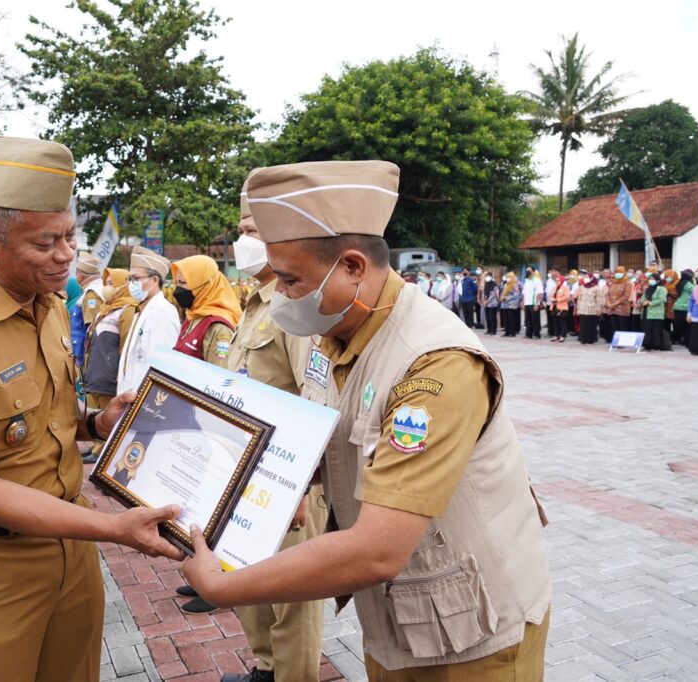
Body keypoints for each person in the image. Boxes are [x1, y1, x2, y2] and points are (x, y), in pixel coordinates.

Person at [184, 160, 550, 681]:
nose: (280, 295)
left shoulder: (433, 365)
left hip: (475, 634)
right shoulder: (336, 331)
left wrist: (223, 585)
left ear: (353, 266)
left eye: (291, 280)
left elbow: (377, 550)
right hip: (402, 619)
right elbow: (331, 439)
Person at [0, 135, 183, 682]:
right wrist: (115, 529)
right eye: (46, 242)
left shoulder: (46, 304)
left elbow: (48, 418)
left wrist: (97, 422)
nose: (66, 254)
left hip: (72, 547)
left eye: (69, 236)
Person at [220, 178, 326, 682]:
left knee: (293, 598)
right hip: (245, 470)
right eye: (240, 230)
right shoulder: (253, 303)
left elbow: (315, 396)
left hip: (287, 477)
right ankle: (267, 668)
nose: (241, 241)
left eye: (252, 232)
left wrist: (300, 483)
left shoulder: (294, 307)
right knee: (250, 579)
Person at [81, 267, 138, 461]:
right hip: (96, 369)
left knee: (108, 409)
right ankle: (96, 447)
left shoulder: (127, 310)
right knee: (94, 407)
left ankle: (102, 451)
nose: (107, 287)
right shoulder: (106, 308)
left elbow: (126, 346)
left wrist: (120, 373)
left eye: (112, 284)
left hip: (109, 371)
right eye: (106, 283)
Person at [117, 246, 181, 395]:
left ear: (154, 280)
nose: (131, 284)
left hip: (146, 396)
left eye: (136, 279)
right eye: (129, 279)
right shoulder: (140, 310)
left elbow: (163, 365)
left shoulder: (164, 311)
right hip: (129, 393)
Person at [170, 255, 241, 368]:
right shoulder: (194, 315)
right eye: (177, 283)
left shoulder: (219, 328)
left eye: (182, 282)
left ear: (205, 285)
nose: (177, 289)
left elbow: (219, 374)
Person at [74, 253, 104, 363]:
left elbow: (91, 330)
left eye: (76, 272)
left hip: (84, 355)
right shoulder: (97, 288)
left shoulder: (92, 294)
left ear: (81, 275)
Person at [640, 272, 671, 351]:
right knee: (647, 328)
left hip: (657, 313)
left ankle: (656, 346)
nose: (650, 280)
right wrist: (643, 302)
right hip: (646, 311)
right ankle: (647, 345)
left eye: (652, 279)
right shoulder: (648, 289)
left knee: (656, 330)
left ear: (657, 280)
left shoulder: (662, 289)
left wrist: (650, 303)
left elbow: (661, 299)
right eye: (650, 279)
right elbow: (643, 297)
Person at [576, 272, 601, 344]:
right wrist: (578, 308)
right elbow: (579, 298)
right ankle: (583, 339)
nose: (585, 278)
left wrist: (599, 309)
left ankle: (590, 340)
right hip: (583, 309)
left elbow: (598, 299)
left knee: (591, 325)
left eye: (587, 277)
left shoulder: (596, 287)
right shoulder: (582, 287)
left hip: (592, 309)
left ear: (591, 278)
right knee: (583, 325)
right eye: (585, 277)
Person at [672, 269, 695, 345]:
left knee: (678, 324)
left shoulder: (681, 282)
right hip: (685, 306)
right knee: (687, 325)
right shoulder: (688, 283)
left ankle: (676, 339)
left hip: (678, 306)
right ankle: (685, 340)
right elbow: (696, 290)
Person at [607, 266, 631, 335]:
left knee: (622, 327)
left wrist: (614, 304)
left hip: (622, 308)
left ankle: (622, 340)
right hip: (612, 309)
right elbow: (608, 294)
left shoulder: (627, 283)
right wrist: (608, 303)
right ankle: (614, 340)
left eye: (620, 272)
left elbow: (626, 296)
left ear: (624, 273)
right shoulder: (613, 282)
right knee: (614, 327)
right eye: (616, 272)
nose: (618, 273)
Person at [549, 271, 570, 343]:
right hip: (554, 307)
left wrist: (558, 300)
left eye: (558, 280)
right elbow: (550, 295)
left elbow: (567, 297)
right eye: (556, 280)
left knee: (562, 322)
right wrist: (552, 299)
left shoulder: (565, 288)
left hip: (562, 307)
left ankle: (562, 336)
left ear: (562, 281)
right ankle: (556, 335)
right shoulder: (554, 288)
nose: (557, 282)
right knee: (555, 322)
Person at [521, 270, 543, 339]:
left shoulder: (537, 281)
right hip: (527, 303)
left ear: (531, 274)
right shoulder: (527, 281)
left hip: (534, 303)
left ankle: (536, 334)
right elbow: (524, 293)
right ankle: (528, 334)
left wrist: (537, 304)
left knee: (535, 319)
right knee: (527, 320)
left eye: (528, 275)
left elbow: (539, 293)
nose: (528, 277)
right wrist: (523, 303)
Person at [499, 271, 522, 336]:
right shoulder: (505, 285)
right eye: (507, 277)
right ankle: (507, 332)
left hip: (511, 305)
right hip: (504, 305)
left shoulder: (515, 285)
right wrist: (501, 297)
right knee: (506, 319)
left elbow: (516, 295)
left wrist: (506, 298)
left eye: (509, 277)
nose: (508, 278)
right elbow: (502, 292)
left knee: (511, 319)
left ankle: (512, 332)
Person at [482, 271, 499, 335]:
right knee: (488, 318)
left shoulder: (494, 284)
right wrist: (484, 301)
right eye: (486, 276)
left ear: (491, 277)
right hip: (486, 304)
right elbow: (484, 293)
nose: (487, 277)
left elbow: (493, 294)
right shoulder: (486, 284)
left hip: (492, 304)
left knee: (492, 318)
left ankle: (493, 330)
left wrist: (487, 301)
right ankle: (489, 330)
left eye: (488, 276)